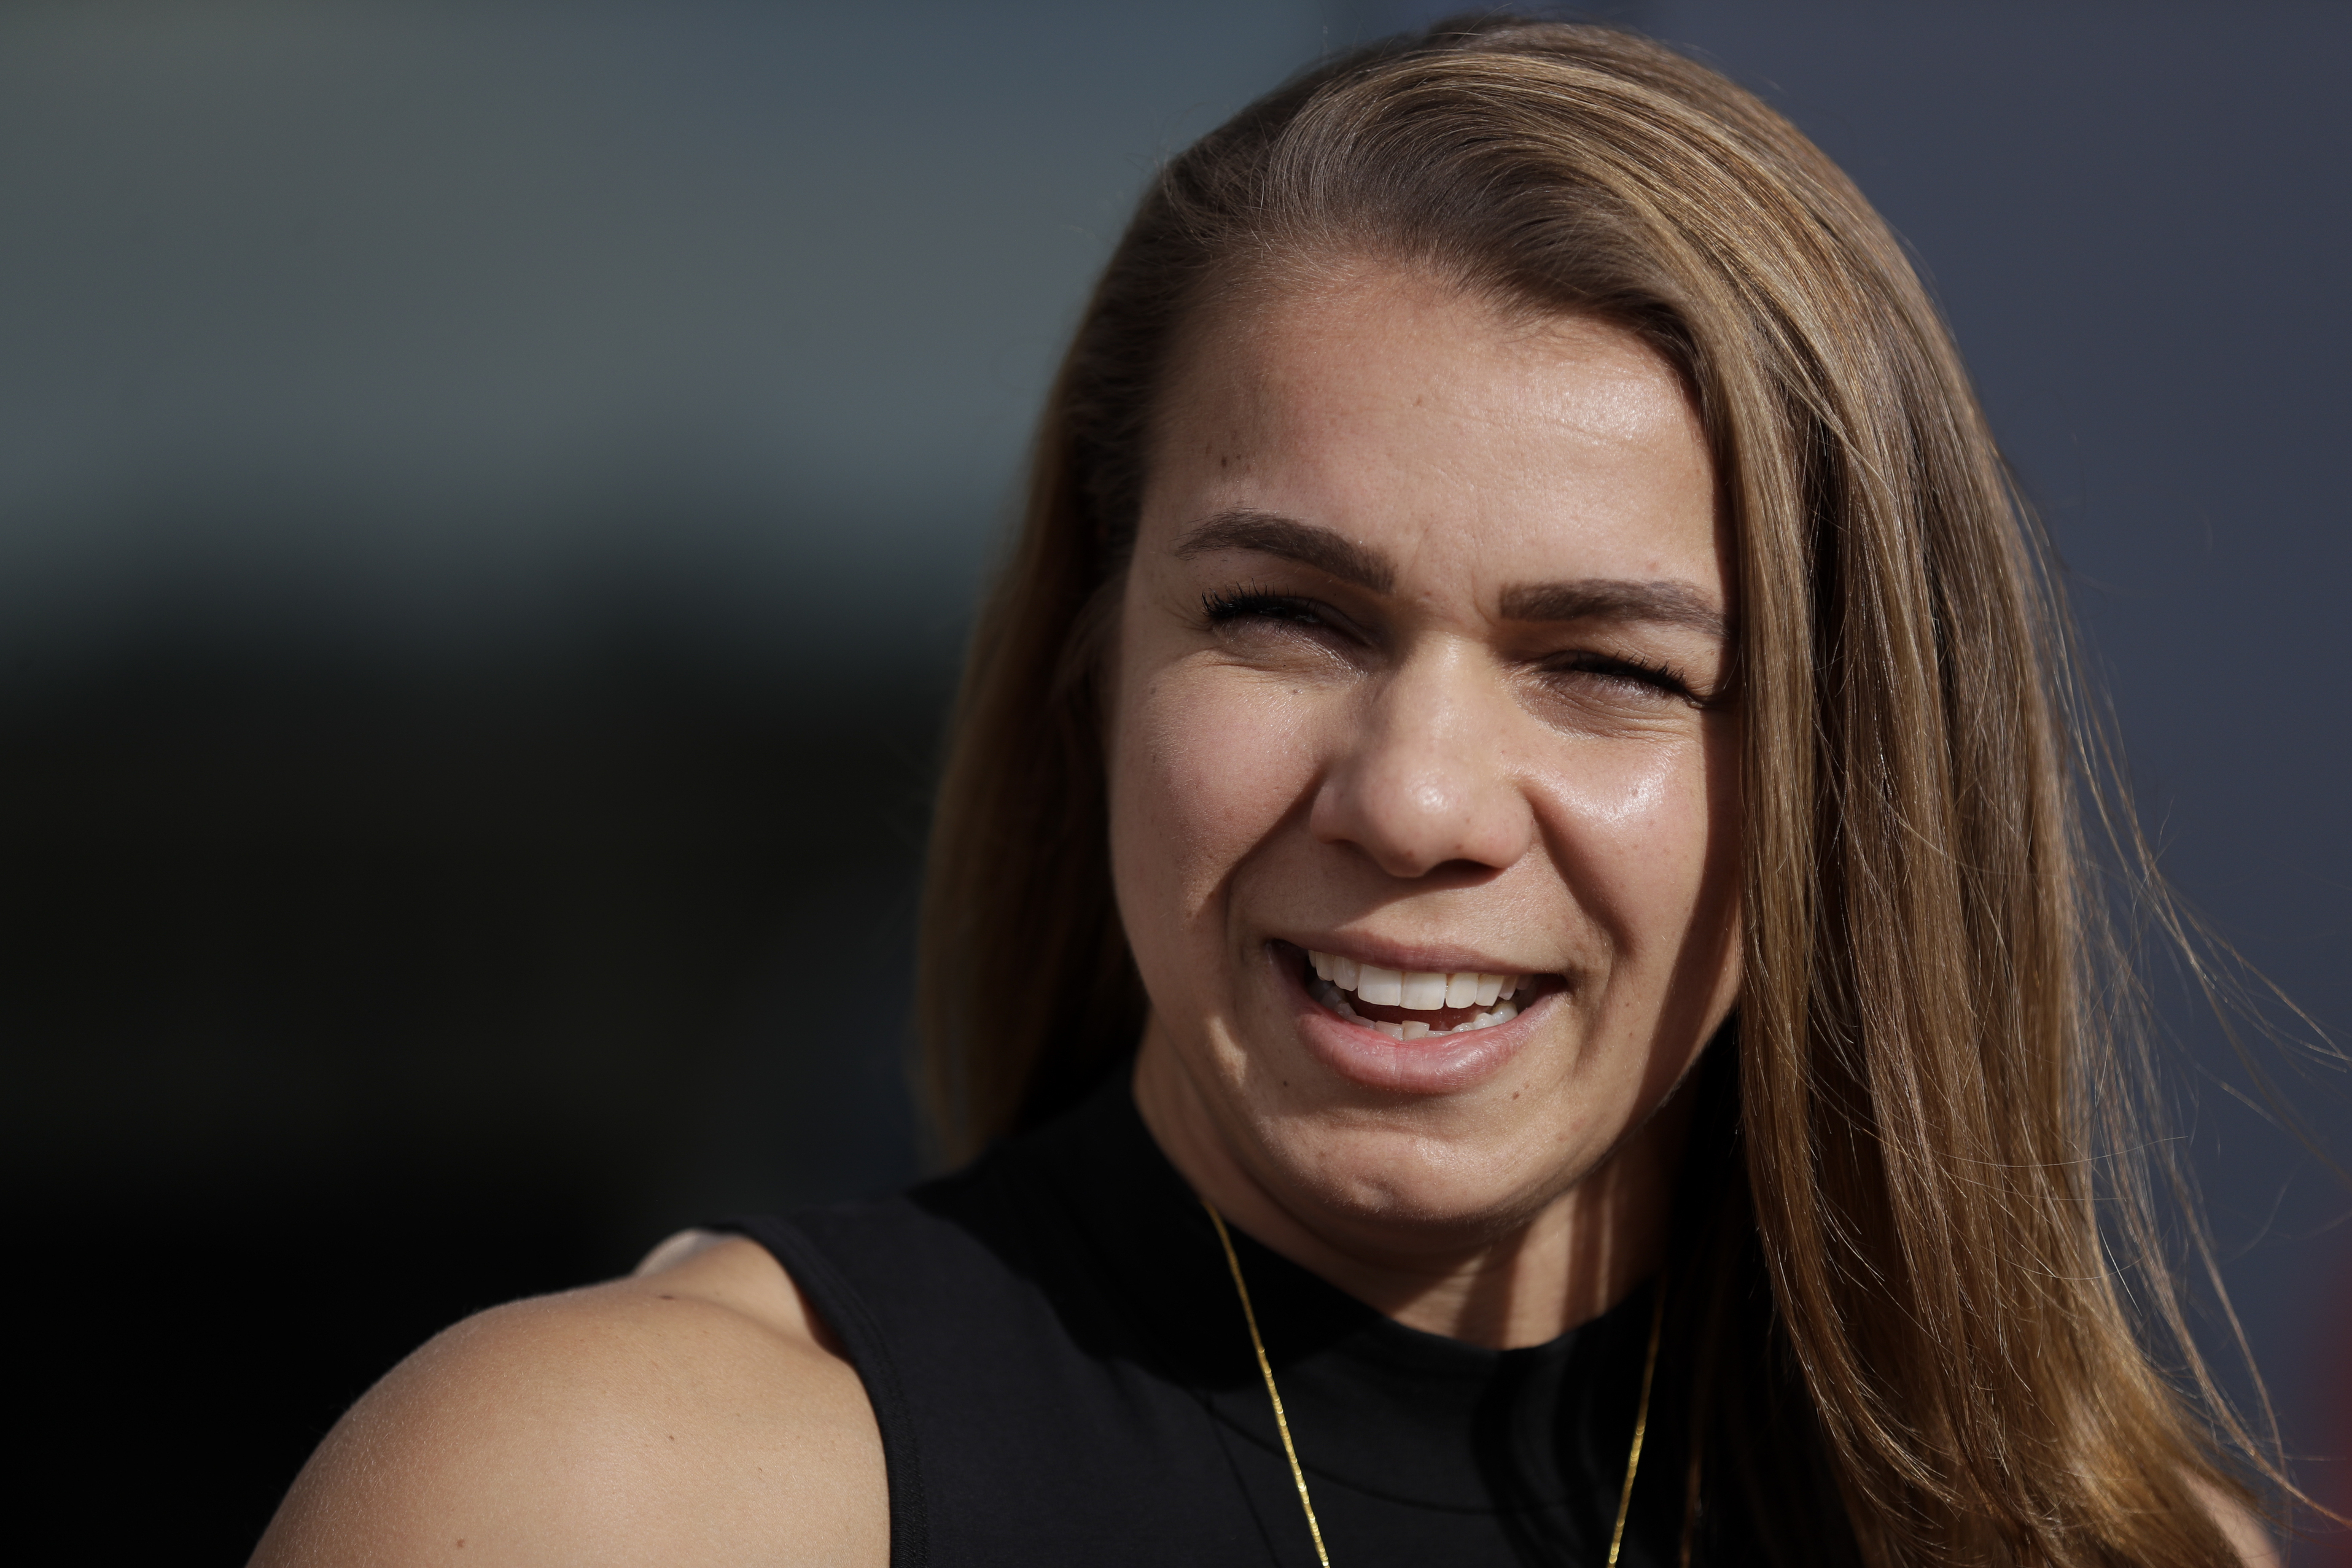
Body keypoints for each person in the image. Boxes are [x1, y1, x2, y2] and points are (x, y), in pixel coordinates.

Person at [251, 17, 2286, 1566]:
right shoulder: (632, 1494)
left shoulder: (2105, 1541)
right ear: (1094, 658)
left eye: (1609, 667)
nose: (1415, 799)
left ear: (1850, 778)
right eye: (1291, 618)